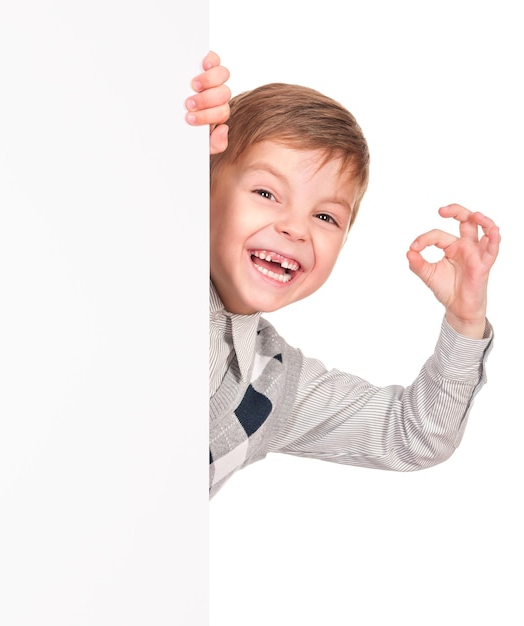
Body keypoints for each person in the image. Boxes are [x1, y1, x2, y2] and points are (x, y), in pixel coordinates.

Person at [186, 52, 501, 498]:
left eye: (326, 217)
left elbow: (412, 435)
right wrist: (171, 134)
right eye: (265, 192)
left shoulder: (271, 383)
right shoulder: (147, 269)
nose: (296, 227)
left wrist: (466, 320)